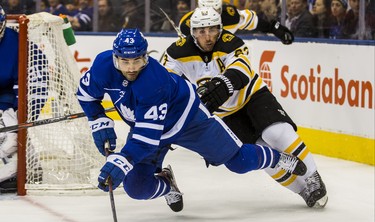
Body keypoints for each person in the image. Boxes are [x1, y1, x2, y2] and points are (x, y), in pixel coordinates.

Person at [76, 28, 307, 212]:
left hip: (188, 121)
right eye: (125, 62)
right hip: (148, 128)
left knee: (239, 162)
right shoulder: (102, 66)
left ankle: (277, 157)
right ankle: (167, 184)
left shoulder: (153, 82)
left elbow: (147, 139)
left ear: (145, 57)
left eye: (137, 61)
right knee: (136, 187)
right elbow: (86, 94)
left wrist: (122, 160)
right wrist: (97, 119)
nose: (131, 68)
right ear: (115, 58)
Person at [161, 7, 328, 208]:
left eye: (212, 30)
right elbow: (166, 83)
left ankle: (312, 177)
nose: (207, 37)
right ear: (192, 32)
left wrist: (221, 85)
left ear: (220, 28)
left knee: (276, 133)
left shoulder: (231, 42)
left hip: (252, 96)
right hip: (225, 115)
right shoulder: (176, 52)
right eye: (201, 31)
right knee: (261, 150)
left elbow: (241, 70)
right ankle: (302, 190)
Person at [0, 6, 47, 193]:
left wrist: (23, 115)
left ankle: (26, 167)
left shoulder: (20, 45)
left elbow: (37, 85)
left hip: (8, 99)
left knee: (8, 133)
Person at [179, 0, 294, 45]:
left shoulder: (230, 15)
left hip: (224, 59)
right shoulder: (186, 25)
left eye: (216, 12)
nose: (211, 18)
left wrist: (274, 28)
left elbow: (253, 21)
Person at [0, 5, 18, 192]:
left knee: (8, 134)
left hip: (6, 98)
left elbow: (26, 82)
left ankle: (20, 167)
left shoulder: (16, 42)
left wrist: (17, 108)